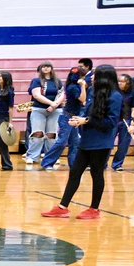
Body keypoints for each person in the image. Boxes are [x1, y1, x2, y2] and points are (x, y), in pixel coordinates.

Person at [42, 65, 124, 220]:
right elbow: (87, 113)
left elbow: (111, 122)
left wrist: (85, 120)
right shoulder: (93, 92)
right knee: (75, 173)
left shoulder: (115, 96)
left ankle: (94, 209)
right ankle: (63, 207)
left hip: (101, 143)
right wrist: (78, 121)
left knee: (96, 173)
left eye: (95, 75)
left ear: (104, 78)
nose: (91, 77)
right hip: (86, 140)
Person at [42, 61, 92, 171]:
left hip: (74, 117)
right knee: (62, 142)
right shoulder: (73, 87)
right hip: (67, 117)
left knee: (75, 143)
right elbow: (83, 100)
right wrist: (83, 86)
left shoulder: (74, 86)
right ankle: (47, 162)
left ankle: (74, 165)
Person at [24, 62, 63, 165]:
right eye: (43, 67)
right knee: (37, 134)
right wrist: (52, 104)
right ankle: (32, 156)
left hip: (55, 111)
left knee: (52, 135)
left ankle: (51, 157)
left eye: (48, 66)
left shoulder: (58, 81)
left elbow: (62, 94)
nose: (45, 68)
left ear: (51, 68)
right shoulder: (36, 81)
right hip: (39, 110)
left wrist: (55, 105)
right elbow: (36, 95)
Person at [111, 73, 134, 171]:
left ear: (128, 83)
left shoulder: (133, 93)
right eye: (119, 81)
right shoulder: (113, 92)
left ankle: (117, 164)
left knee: (124, 144)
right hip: (113, 120)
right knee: (107, 143)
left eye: (122, 81)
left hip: (127, 120)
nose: (120, 83)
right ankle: (102, 164)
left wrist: (133, 123)